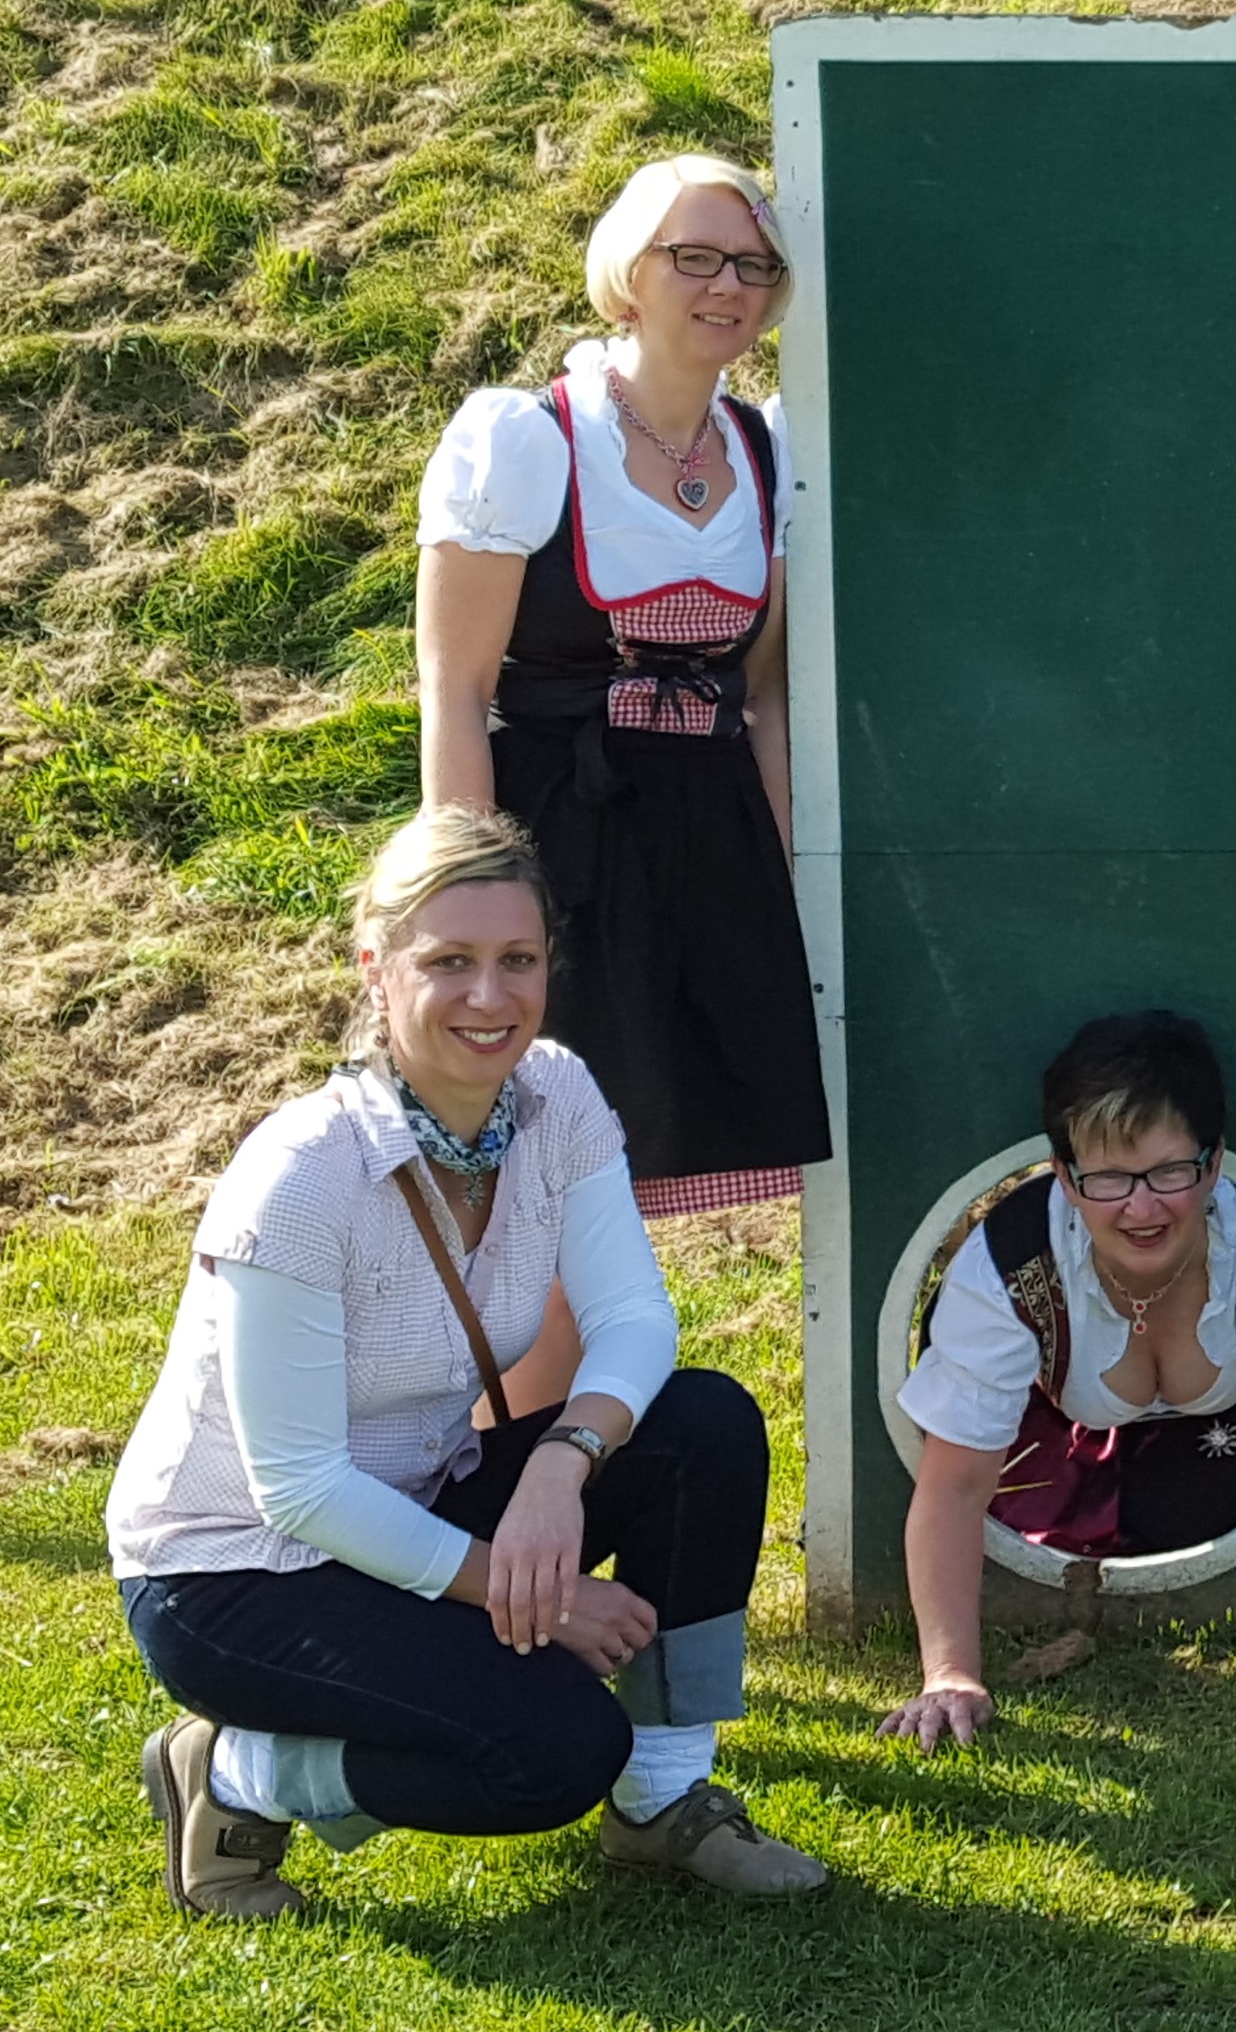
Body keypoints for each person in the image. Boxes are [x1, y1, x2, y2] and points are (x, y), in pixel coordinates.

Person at [107, 807, 824, 1920]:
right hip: (236, 1572)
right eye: (449, 961)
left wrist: (561, 1465)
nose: (490, 997)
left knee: (704, 1424)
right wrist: (533, 1590)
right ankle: (235, 1770)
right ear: (376, 968)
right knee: (554, 1747)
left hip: (415, 1493)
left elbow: (634, 1315)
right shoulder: (301, 1174)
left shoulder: (556, 1093)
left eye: (517, 960)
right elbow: (297, 1487)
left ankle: (662, 1799)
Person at [416, 153, 829, 1259]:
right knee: (528, 1180)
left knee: (628, 1180)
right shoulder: (526, 439)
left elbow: (762, 699)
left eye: (753, 264)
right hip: (559, 834)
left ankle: (592, 1370)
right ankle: (511, 1375)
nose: (727, 284)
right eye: (693, 256)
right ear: (627, 273)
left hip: (703, 842)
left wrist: (780, 884)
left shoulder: (769, 450)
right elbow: (455, 688)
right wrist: (470, 902)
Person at [881, 1012, 1236, 1753]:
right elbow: (955, 1485)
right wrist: (951, 1672)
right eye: (1109, 1179)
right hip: (1050, 1460)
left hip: (1227, 1448)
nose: (1141, 1207)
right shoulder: (1008, 1269)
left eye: (1169, 1172)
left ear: (1214, 1164)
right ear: (1064, 1177)